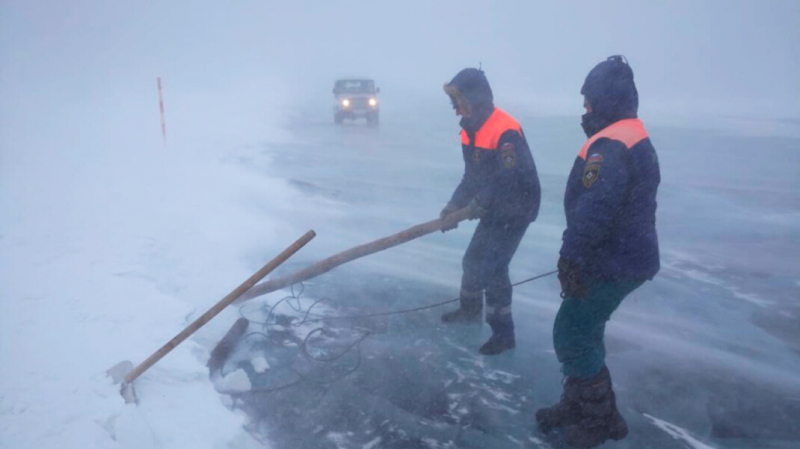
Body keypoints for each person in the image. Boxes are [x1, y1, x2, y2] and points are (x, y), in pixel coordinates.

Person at [535, 56, 660, 447]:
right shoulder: (630, 133)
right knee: (585, 330)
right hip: (623, 256)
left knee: (571, 333)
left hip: (612, 260)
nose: (585, 110)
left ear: (604, 101)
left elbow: (596, 206)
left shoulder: (611, 142)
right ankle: (579, 405)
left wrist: (570, 257)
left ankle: (599, 419)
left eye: (589, 102)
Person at [439, 68, 541, 356]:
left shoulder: (505, 130)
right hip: (494, 205)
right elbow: (472, 177)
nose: (456, 110)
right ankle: (470, 312)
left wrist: (481, 203)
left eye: (459, 102)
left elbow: (509, 178)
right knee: (473, 260)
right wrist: (454, 206)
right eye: (454, 104)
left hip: (519, 206)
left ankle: (503, 333)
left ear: (475, 99)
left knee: (494, 268)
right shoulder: (469, 131)